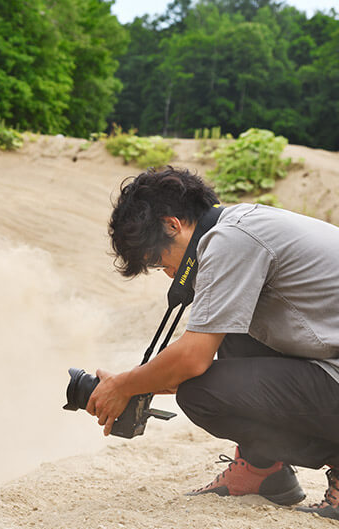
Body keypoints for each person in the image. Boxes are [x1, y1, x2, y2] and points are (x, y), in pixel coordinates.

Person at [89, 166, 339, 520]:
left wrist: (126, 385)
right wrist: (131, 387)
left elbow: (193, 361)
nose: (170, 274)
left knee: (200, 393)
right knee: (232, 335)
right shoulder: (240, 223)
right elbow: (202, 354)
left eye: (160, 261)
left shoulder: (230, 240)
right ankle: (262, 470)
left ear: (173, 225)